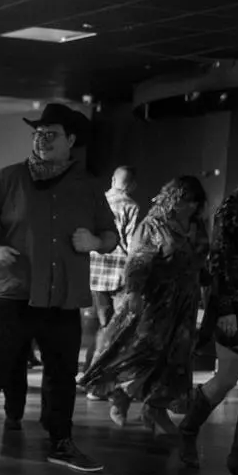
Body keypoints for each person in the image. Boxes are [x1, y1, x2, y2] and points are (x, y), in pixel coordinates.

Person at [0, 103, 119, 475]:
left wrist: (94, 240)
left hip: (63, 298)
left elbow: (111, 237)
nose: (42, 141)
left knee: (63, 374)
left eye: (52, 135)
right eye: (38, 134)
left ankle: (61, 442)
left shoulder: (88, 186)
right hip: (14, 292)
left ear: (71, 140)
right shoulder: (11, 177)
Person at [79, 177, 209, 437]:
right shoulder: (154, 225)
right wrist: (135, 293)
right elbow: (138, 261)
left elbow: (201, 262)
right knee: (145, 349)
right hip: (156, 298)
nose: (192, 207)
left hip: (185, 301)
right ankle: (122, 393)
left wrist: (207, 290)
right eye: (187, 201)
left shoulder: (197, 226)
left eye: (195, 203)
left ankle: (155, 408)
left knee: (176, 358)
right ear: (175, 199)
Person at [178, 180, 238, 474]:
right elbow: (218, 262)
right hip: (235, 303)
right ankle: (188, 429)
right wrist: (226, 309)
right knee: (227, 377)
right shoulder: (233, 207)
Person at [83, 166, 141, 387]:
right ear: (132, 184)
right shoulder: (131, 206)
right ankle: (99, 378)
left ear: (113, 179)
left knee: (104, 324)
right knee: (116, 327)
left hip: (95, 271)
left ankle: (91, 373)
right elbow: (129, 242)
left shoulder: (96, 202)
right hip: (119, 272)